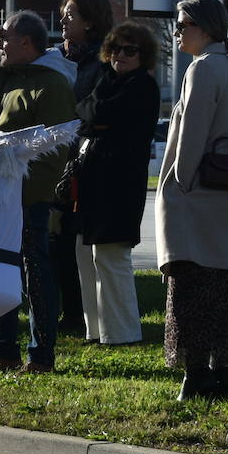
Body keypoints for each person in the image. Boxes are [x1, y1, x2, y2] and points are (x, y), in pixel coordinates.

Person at [0, 11, 76, 373]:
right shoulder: (3, 77)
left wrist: (25, 192)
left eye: (6, 38)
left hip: (26, 198)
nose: (1, 43)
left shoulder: (51, 84)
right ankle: (4, 351)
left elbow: (55, 146)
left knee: (35, 273)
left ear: (27, 42)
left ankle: (41, 355)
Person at [155, 0, 228, 400]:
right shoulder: (227, 65)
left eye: (183, 24)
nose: (177, 31)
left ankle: (196, 376)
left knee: (190, 285)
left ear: (206, 28)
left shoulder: (204, 68)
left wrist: (178, 183)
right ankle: (222, 372)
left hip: (195, 197)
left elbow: (191, 135)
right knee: (219, 285)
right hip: (220, 196)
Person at [68, 21, 160, 346]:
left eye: (130, 50)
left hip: (119, 186)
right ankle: (96, 330)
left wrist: (96, 116)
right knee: (87, 257)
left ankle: (123, 333)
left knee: (112, 257)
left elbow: (101, 112)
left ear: (142, 55)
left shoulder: (143, 87)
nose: (121, 55)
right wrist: (96, 117)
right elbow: (84, 108)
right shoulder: (106, 80)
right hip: (92, 184)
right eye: (117, 48)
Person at [51, 0, 115, 335]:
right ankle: (69, 311)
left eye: (71, 14)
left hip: (84, 159)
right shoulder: (55, 57)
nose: (63, 19)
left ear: (90, 22)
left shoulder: (102, 62)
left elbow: (92, 109)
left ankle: (82, 315)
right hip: (54, 156)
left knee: (76, 239)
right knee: (56, 240)